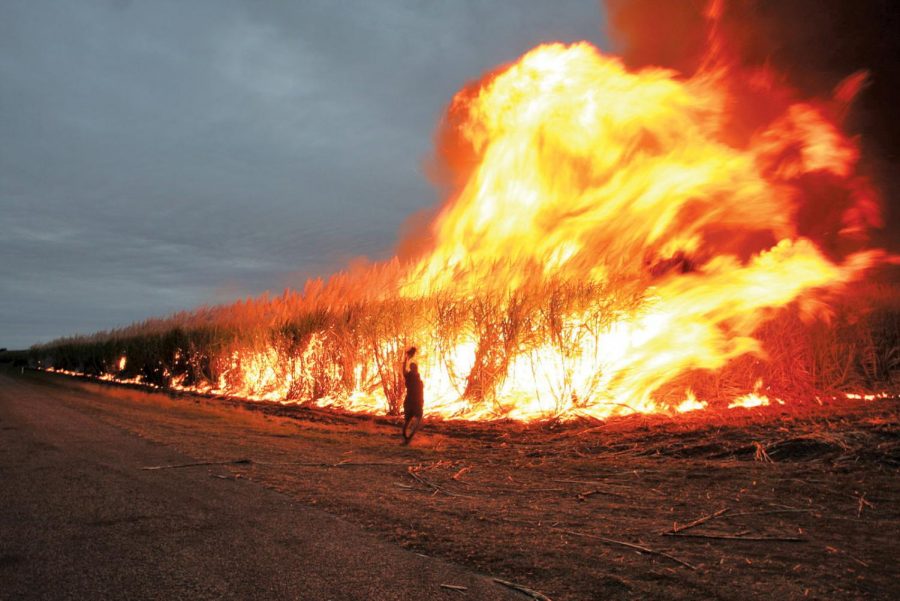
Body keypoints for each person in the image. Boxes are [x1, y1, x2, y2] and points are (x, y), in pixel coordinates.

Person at [402, 346, 424, 444]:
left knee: (408, 420)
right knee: (417, 419)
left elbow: (403, 370)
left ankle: (406, 437)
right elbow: (421, 392)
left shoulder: (409, 377)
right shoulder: (416, 379)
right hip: (415, 402)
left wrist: (406, 358)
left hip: (410, 401)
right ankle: (408, 437)